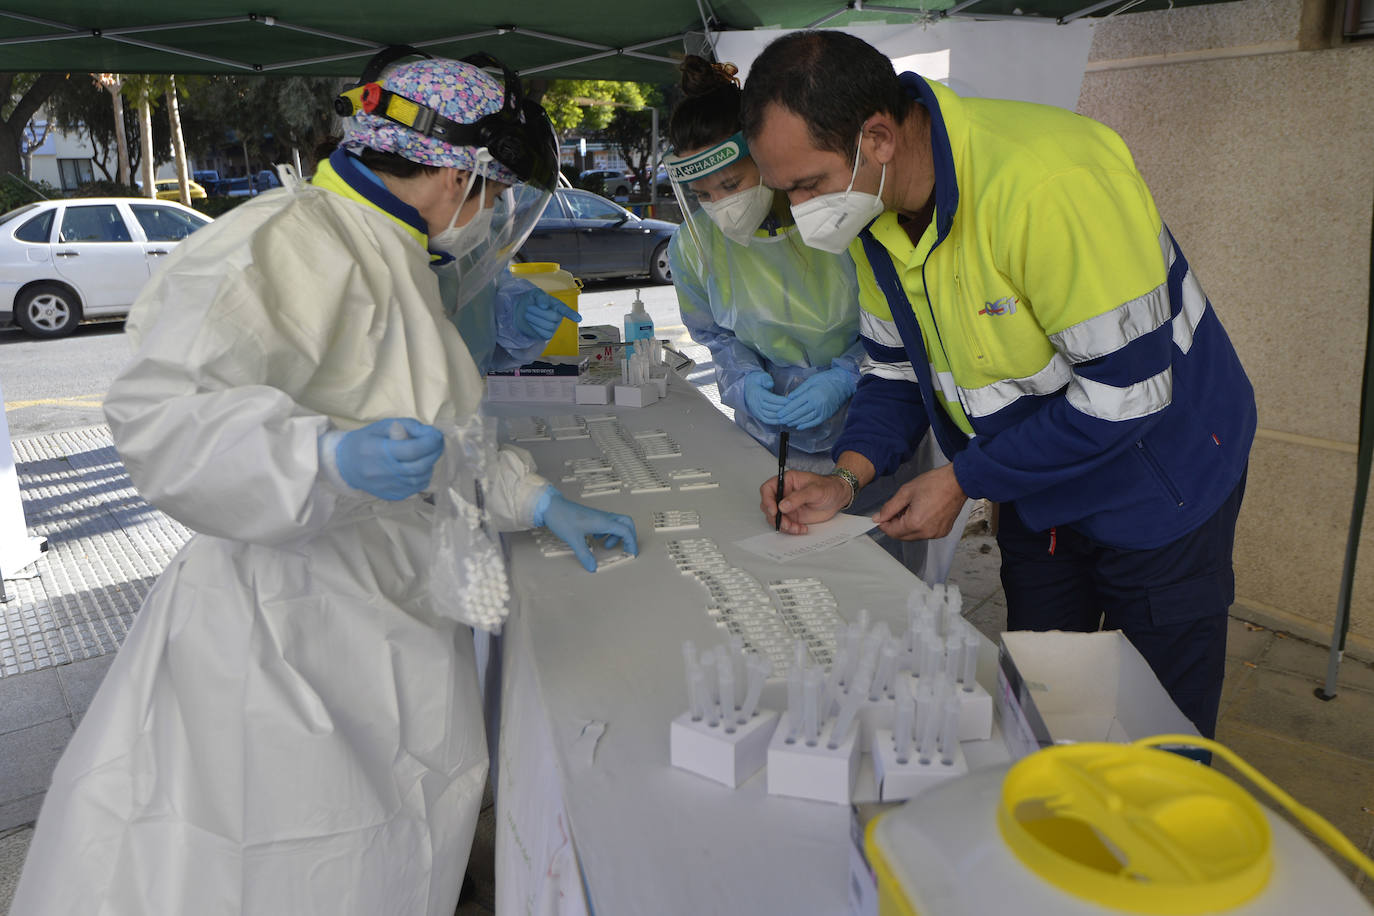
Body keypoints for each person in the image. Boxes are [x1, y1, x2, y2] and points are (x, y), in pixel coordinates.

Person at [12, 49, 636, 915]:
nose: (490, 212)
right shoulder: (281, 240)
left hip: (380, 620)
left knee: (385, 850)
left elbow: (432, 432)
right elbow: (160, 416)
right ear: (454, 173)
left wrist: (529, 497)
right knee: (276, 868)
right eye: (491, 190)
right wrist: (315, 458)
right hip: (276, 644)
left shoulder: (396, 255)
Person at [746, 31, 1254, 739]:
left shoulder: (1048, 183)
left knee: (1152, 733)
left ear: (879, 136)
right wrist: (845, 475)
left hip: (1162, 477)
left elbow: (1126, 395)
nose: (802, 212)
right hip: (1039, 483)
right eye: (787, 191)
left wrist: (964, 479)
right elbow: (894, 371)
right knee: (1045, 708)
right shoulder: (872, 215)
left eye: (808, 185)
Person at [665, 55, 969, 582]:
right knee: (784, 572)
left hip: (872, 430)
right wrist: (743, 380)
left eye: (731, 183)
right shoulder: (696, 245)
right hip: (770, 435)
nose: (720, 205)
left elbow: (904, 331)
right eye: (703, 195)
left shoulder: (838, 218)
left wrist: (844, 376)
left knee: (878, 576)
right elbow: (714, 332)